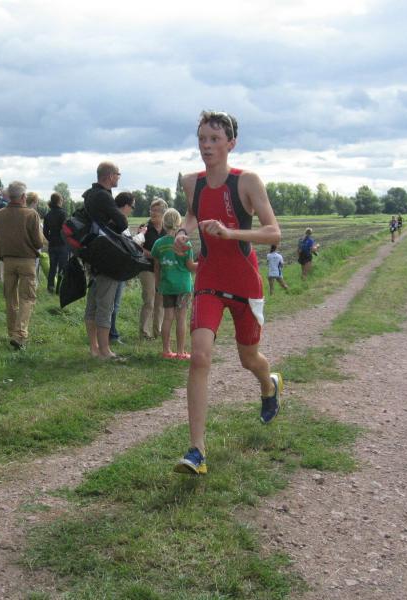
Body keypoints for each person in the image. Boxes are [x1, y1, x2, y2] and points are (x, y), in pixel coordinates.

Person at [172, 110, 282, 475]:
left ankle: (269, 384)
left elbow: (273, 232)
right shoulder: (192, 181)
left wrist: (230, 233)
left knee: (249, 359)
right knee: (199, 357)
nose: (206, 146)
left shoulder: (247, 181)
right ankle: (196, 451)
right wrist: (183, 232)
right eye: (202, 139)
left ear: (231, 144)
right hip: (209, 278)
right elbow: (192, 214)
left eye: (214, 139)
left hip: (244, 281)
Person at [0, 181, 44, 350]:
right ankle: (19, 334)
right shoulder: (31, 215)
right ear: (23, 197)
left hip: (7, 261)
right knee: (27, 298)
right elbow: (38, 242)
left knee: (10, 298)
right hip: (27, 261)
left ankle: (12, 332)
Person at [82, 161, 126, 359]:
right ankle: (105, 350)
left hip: (92, 255)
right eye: (117, 174)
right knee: (105, 305)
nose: (118, 178)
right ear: (109, 176)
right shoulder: (104, 196)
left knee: (92, 304)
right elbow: (122, 222)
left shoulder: (89, 194)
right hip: (107, 256)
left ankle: (94, 348)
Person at [152, 208, 196, 360]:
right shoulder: (185, 243)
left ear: (164, 224)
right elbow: (190, 266)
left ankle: (166, 350)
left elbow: (156, 266)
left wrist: (157, 284)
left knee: (167, 317)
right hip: (183, 286)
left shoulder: (158, 244)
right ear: (179, 223)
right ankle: (180, 352)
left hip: (167, 286)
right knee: (181, 318)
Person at [108, 192, 137, 344]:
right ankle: (111, 335)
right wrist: (141, 236)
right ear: (125, 205)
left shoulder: (110, 218)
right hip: (117, 268)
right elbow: (129, 245)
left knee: (110, 304)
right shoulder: (119, 221)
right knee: (113, 304)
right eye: (132, 207)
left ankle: (109, 333)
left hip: (113, 267)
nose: (132, 210)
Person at [138, 198, 167, 340]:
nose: (153, 213)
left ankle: (158, 331)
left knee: (160, 302)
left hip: (163, 269)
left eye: (157, 210)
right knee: (149, 300)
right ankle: (144, 333)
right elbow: (137, 247)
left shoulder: (168, 229)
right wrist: (152, 254)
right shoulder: (144, 228)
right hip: (147, 268)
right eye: (152, 210)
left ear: (164, 213)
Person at [42, 192, 69, 294]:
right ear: (59, 201)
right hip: (62, 244)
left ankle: (50, 287)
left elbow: (45, 232)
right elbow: (66, 229)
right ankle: (59, 289)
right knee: (62, 267)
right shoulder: (63, 213)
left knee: (52, 267)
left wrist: (50, 239)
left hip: (52, 244)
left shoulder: (47, 215)